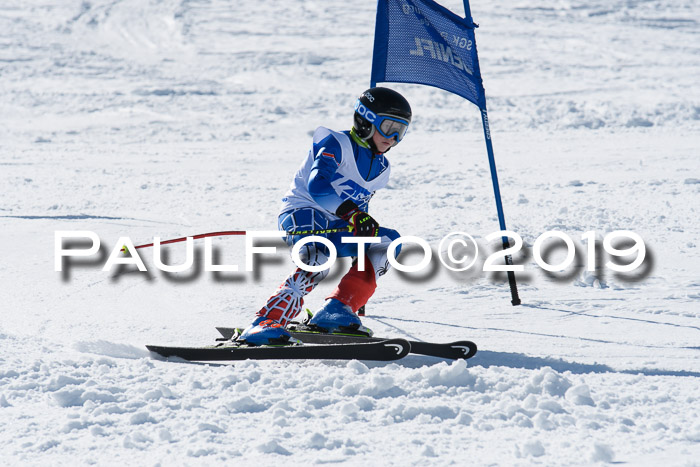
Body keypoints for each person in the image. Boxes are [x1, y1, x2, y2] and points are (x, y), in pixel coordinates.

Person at [238, 87, 412, 346]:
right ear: (366, 120)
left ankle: (338, 309)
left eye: (401, 131)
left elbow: (360, 207)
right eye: (388, 127)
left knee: (388, 243)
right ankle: (265, 322)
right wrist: (353, 215)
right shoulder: (336, 143)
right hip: (302, 213)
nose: (393, 138)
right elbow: (318, 186)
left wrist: (361, 227)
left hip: (338, 223)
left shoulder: (382, 168)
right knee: (319, 255)